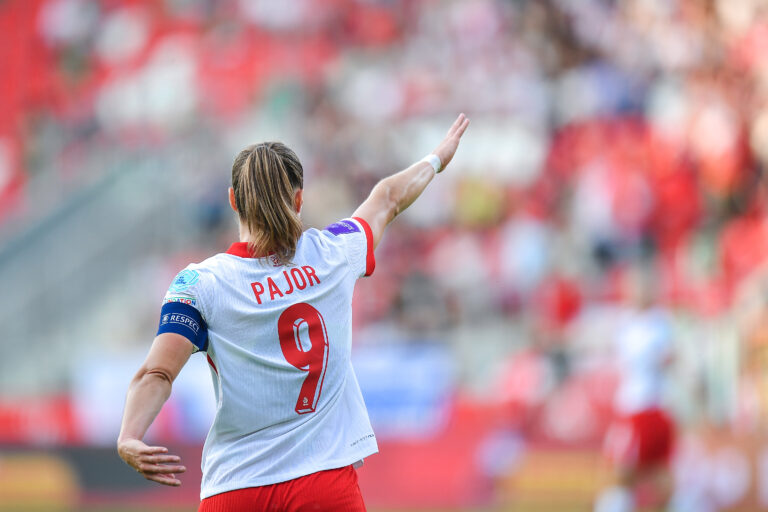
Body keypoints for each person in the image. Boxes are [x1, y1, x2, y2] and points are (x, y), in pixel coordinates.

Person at [117, 114, 470, 511]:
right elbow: (387, 197)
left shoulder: (200, 284)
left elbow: (157, 373)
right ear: (300, 199)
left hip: (236, 489)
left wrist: (130, 434)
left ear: (233, 200)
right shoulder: (335, 254)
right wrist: (436, 159)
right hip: (324, 485)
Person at [594, 272, 676, 512]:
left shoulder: (659, 322)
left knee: (631, 470)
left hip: (647, 406)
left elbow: (669, 358)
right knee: (622, 471)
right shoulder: (626, 322)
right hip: (636, 405)